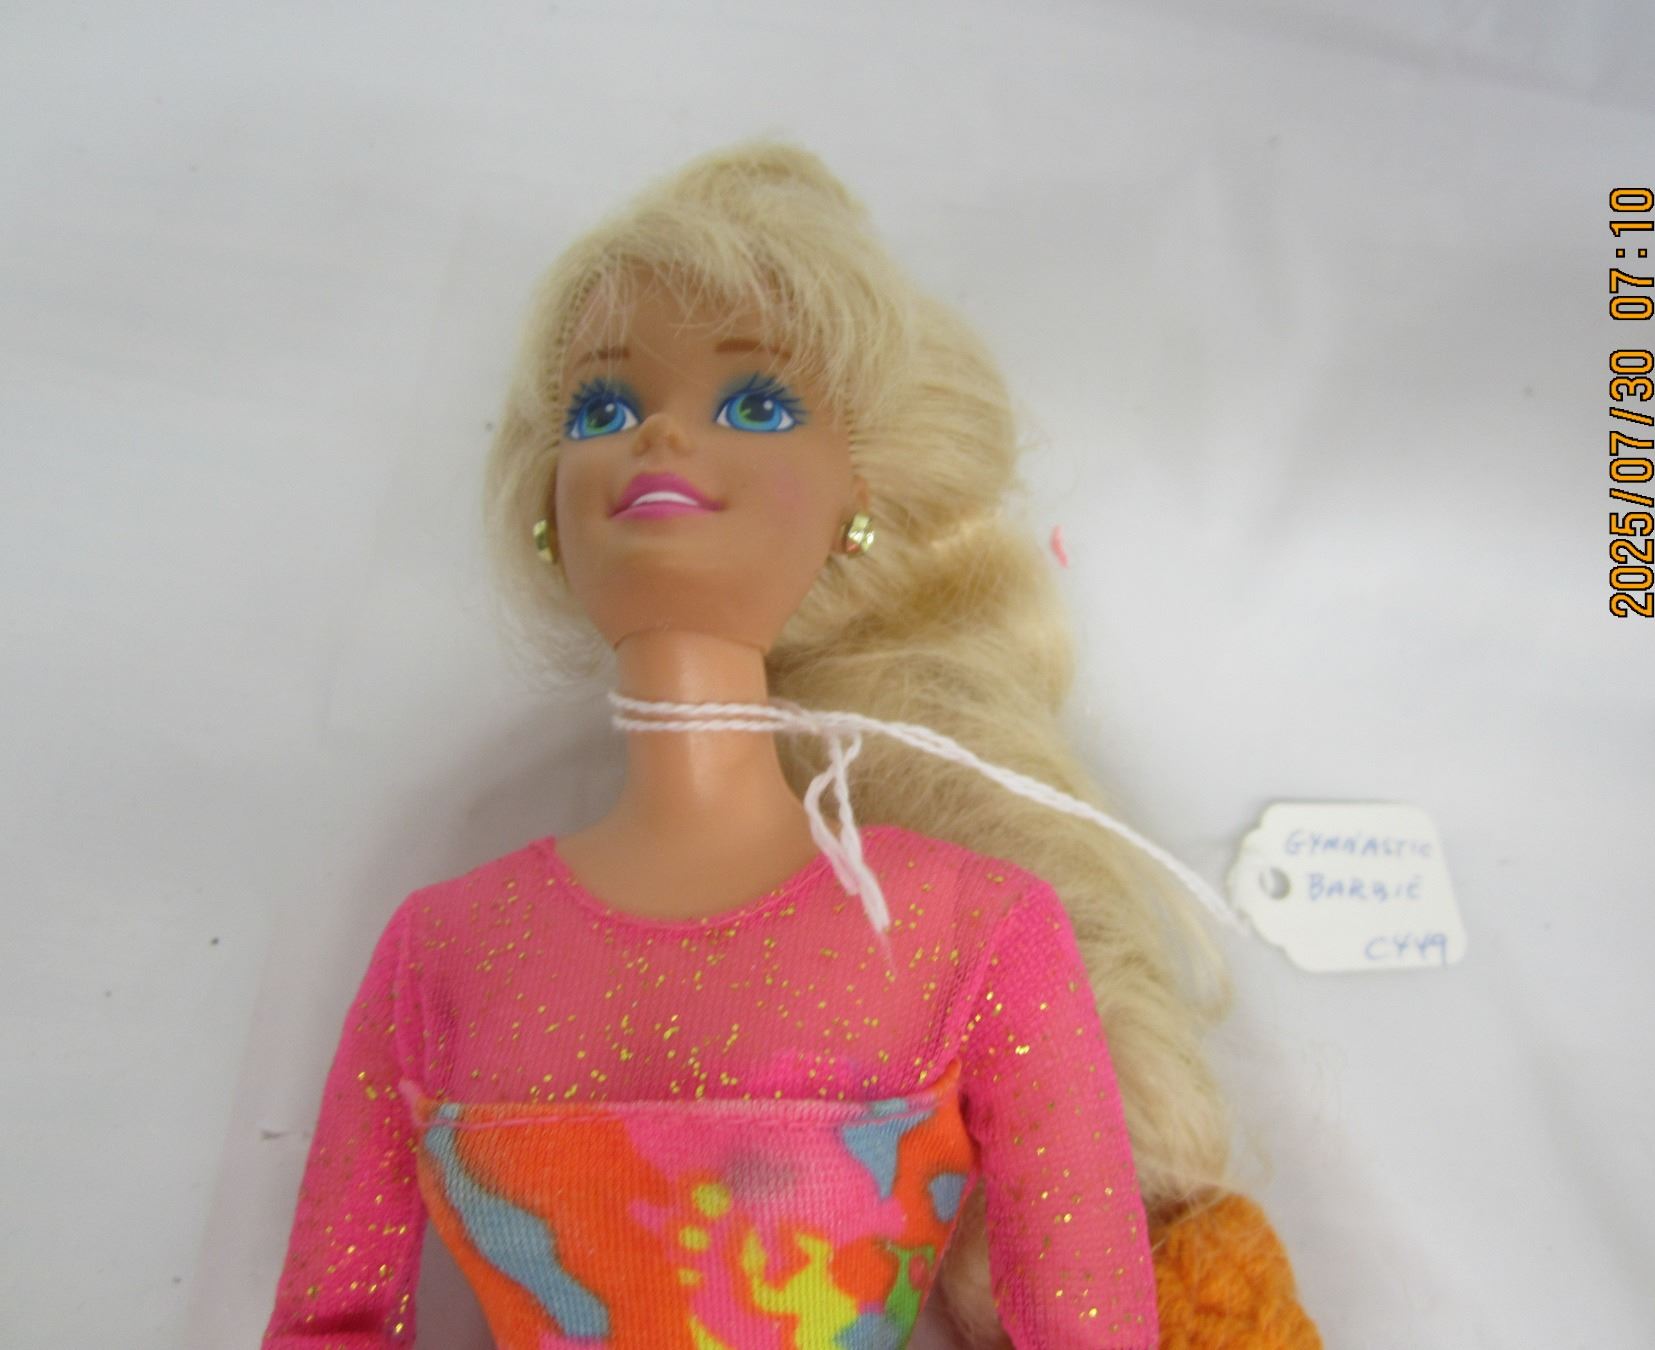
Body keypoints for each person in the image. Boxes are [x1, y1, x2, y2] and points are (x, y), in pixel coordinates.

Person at [261, 136, 1317, 1348]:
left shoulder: (980, 933)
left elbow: (1093, 1331)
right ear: (546, 505)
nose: (660, 440)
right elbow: (327, 1324)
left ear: (860, 499)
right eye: (604, 408)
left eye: (755, 405)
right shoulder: (438, 955)